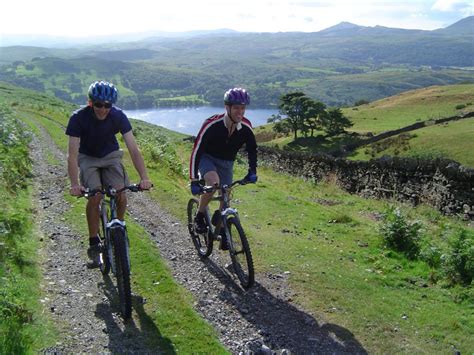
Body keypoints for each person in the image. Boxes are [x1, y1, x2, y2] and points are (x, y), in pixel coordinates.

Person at [66, 81, 152, 267]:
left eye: (107, 105)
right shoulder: (78, 118)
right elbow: (72, 155)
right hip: (88, 157)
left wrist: (144, 177)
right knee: (95, 196)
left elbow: (134, 150)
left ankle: (119, 228)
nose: (103, 109)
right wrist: (74, 184)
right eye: (98, 104)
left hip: (111, 155)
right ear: (90, 103)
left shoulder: (118, 116)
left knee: (120, 192)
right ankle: (94, 242)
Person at [189, 87, 258, 248]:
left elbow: (252, 150)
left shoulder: (246, 127)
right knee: (213, 183)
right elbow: (197, 150)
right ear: (227, 107)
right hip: (207, 158)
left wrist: (252, 171)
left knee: (226, 195)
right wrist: (193, 179)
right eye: (236, 108)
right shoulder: (212, 124)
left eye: (243, 108)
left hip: (227, 162)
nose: (240, 112)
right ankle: (199, 215)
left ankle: (221, 228)